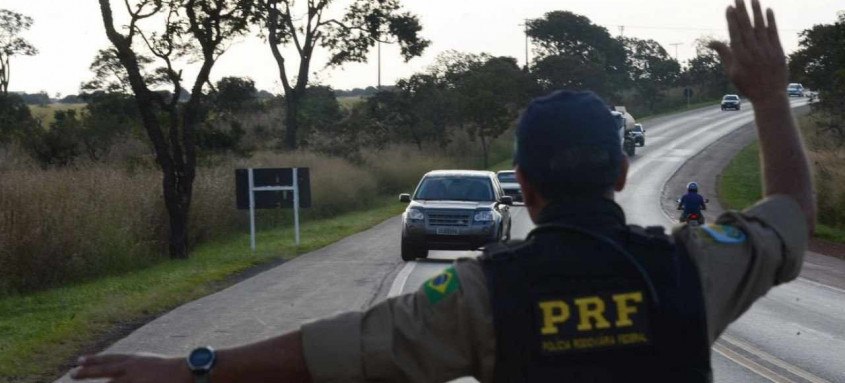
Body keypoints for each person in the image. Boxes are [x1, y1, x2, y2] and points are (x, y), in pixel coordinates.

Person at [71, 1, 815, 382]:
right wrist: (770, 99)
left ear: (520, 184)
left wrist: (193, 368)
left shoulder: (478, 295)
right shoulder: (693, 266)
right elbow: (786, 217)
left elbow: (337, 351)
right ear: (622, 173)